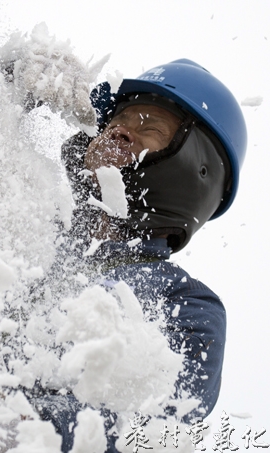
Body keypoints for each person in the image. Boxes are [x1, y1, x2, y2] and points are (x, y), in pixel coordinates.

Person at [22, 59, 247, 452]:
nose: (122, 130)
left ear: (196, 169)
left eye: (150, 128)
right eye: (117, 120)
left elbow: (141, 428)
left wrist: (5, 415)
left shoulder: (191, 308)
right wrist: (11, 85)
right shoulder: (28, 228)